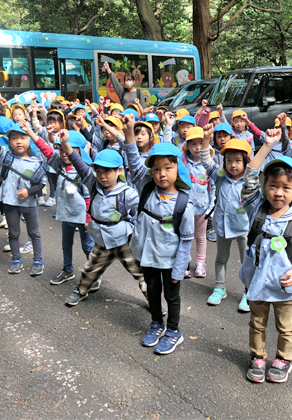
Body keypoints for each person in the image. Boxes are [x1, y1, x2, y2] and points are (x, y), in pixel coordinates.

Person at [240, 128, 292, 383]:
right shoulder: (256, 208)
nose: (278, 193)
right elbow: (249, 177)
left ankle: (284, 358)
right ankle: (257, 356)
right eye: (272, 186)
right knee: (257, 323)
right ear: (265, 187)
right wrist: (267, 146)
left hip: (284, 285)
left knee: (285, 326)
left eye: (286, 187)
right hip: (258, 281)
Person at [124, 113, 194, 355]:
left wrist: (179, 267)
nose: (162, 174)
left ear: (177, 167)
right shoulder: (146, 189)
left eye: (168, 167)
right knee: (152, 290)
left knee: (172, 296)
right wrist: (129, 132)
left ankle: (174, 331)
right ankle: (156, 323)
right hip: (147, 254)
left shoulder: (184, 203)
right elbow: (134, 161)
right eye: (156, 169)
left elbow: (186, 239)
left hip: (170, 259)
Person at [56, 129, 146, 306]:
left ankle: (155, 301)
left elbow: (143, 210)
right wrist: (65, 144)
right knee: (90, 269)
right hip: (102, 240)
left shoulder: (127, 193)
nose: (103, 176)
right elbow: (78, 162)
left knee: (140, 272)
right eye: (98, 171)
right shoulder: (92, 183)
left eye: (108, 171)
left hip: (124, 240)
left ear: (119, 170)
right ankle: (81, 290)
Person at [30, 127, 95, 286]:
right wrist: (31, 132)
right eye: (61, 148)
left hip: (82, 216)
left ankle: (94, 275)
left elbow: (89, 197)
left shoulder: (84, 170)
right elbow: (45, 148)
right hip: (66, 214)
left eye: (69, 148)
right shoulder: (58, 164)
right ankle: (67, 270)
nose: (64, 152)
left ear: (79, 151)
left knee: (88, 247)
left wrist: (88, 218)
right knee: (66, 245)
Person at [0, 114, 45, 276]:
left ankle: (38, 261)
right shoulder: (6, 158)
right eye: (14, 138)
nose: (19, 141)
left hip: (29, 204)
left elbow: (41, 184)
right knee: (13, 233)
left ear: (29, 140)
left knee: (34, 233)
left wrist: (29, 191)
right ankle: (16, 259)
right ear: (9, 142)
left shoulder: (35, 162)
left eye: (23, 138)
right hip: (10, 203)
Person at [199, 131, 252, 312]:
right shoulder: (220, 175)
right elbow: (206, 160)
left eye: (238, 160)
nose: (232, 165)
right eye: (229, 160)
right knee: (221, 258)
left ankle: (248, 291)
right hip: (222, 226)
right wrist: (206, 139)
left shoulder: (249, 182)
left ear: (245, 162)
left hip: (244, 227)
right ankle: (220, 287)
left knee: (247, 261)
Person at [181, 126, 215, 278]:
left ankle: (200, 263)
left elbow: (214, 187)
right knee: (185, 235)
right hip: (185, 208)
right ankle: (184, 262)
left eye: (200, 143)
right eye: (192, 143)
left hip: (203, 208)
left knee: (200, 237)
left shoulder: (209, 165)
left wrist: (212, 207)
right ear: (187, 146)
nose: (196, 147)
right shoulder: (182, 161)